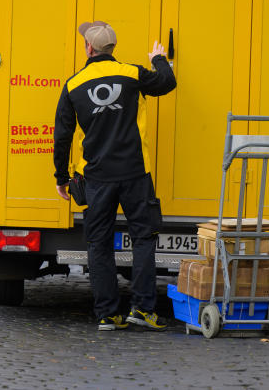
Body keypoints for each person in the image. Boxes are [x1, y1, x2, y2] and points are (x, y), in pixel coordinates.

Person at [52, 21, 176, 331]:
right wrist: (159, 59)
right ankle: (144, 310)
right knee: (143, 239)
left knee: (99, 244)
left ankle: (107, 314)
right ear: (112, 49)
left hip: (95, 177)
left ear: (89, 48)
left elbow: (62, 137)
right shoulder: (133, 74)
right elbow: (166, 82)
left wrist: (62, 177)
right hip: (136, 173)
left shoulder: (72, 86)